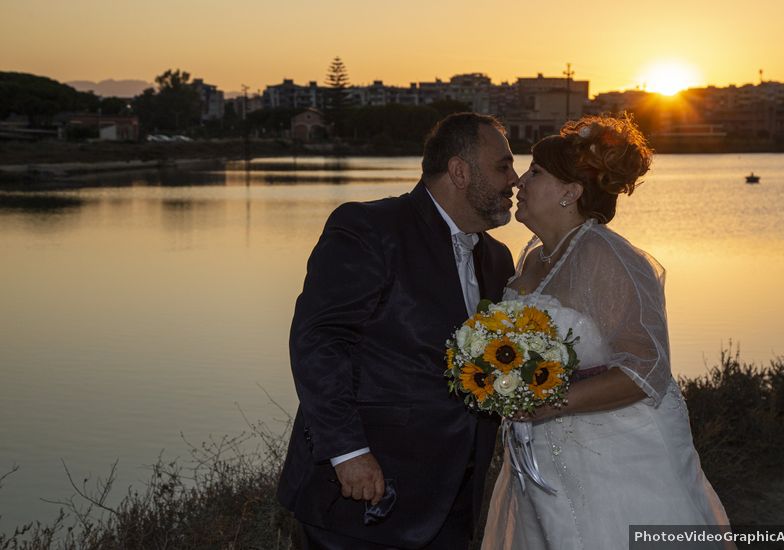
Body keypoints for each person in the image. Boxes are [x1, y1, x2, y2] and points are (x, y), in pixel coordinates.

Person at [482, 115, 731, 549]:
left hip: (611, 454)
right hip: (541, 452)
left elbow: (646, 367)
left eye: (536, 172)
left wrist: (552, 403)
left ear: (570, 192)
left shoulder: (609, 258)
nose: (520, 180)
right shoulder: (533, 259)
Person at [277, 113, 519, 549]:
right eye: (503, 165)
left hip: (454, 506)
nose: (515, 179)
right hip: (362, 498)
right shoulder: (370, 229)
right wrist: (348, 452)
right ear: (460, 171)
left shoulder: (498, 259)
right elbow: (319, 341)